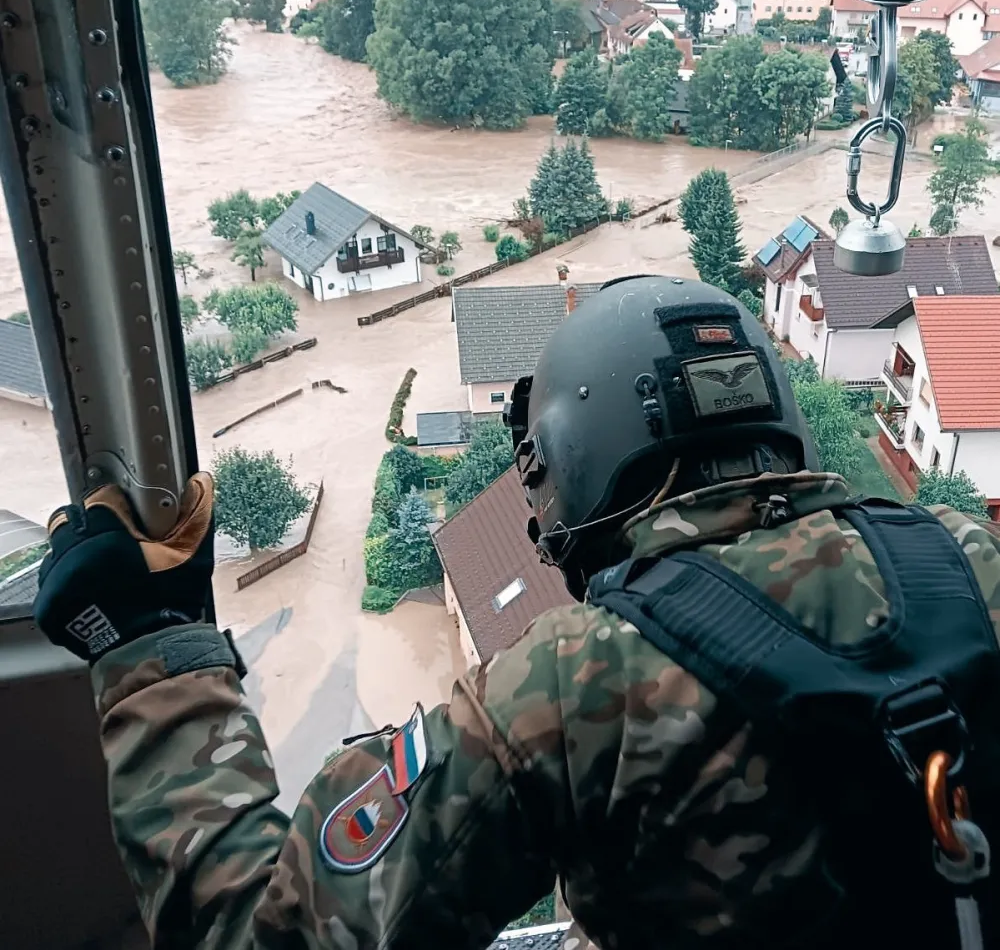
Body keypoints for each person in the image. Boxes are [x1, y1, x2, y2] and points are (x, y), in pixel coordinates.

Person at [33, 276, 1000, 950]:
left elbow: (259, 933)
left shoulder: (571, 682)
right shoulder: (966, 555)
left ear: (569, 464)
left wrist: (151, 650)